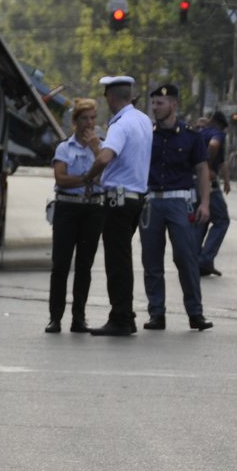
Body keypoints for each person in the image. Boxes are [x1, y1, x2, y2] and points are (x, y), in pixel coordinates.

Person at [139, 83, 213, 331]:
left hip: (180, 202)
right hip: (151, 202)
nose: (155, 108)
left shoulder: (191, 136)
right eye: (153, 104)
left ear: (173, 105)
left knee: (185, 257)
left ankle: (195, 312)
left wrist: (204, 203)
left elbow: (202, 170)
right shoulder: (146, 135)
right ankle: (156, 313)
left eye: (160, 103)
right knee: (151, 260)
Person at [84, 75, 153, 336]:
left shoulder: (120, 125)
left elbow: (106, 157)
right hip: (136, 199)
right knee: (123, 258)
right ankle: (125, 314)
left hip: (118, 200)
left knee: (116, 261)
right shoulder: (143, 120)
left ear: (111, 97)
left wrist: (89, 176)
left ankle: (121, 317)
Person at [46, 98, 107, 333]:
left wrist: (95, 151)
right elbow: (60, 178)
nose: (89, 124)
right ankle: (55, 317)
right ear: (75, 121)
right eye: (84, 118)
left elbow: (106, 179)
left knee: (85, 265)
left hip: (92, 208)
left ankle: (78, 317)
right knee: (60, 264)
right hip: (67, 208)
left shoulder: (101, 148)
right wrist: (85, 178)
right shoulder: (65, 147)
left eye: (92, 118)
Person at [197, 110, 231, 276]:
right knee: (222, 220)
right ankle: (205, 259)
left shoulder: (200, 133)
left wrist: (227, 180)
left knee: (202, 220)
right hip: (209, 184)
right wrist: (208, 167)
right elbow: (214, 145)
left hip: (194, 183)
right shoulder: (217, 134)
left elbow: (223, 161)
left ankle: (197, 260)